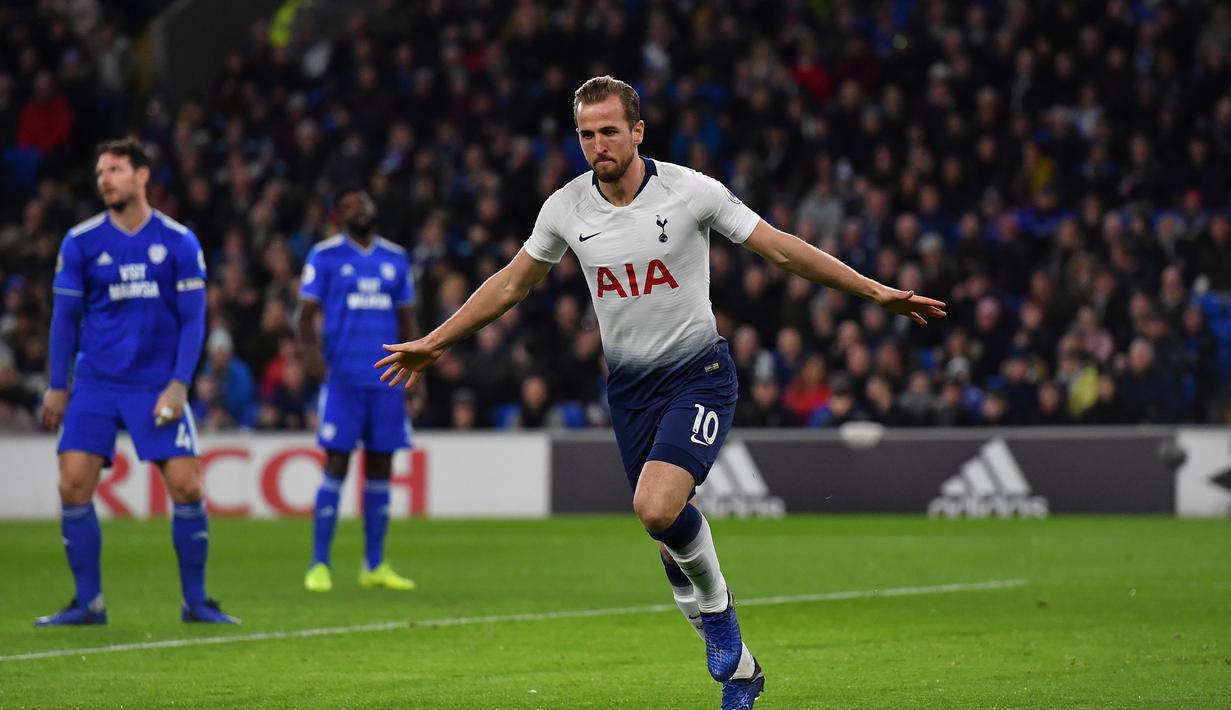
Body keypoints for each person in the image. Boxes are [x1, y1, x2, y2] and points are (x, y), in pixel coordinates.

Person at [374, 76, 945, 709]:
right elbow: (511, 284)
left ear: (638, 130)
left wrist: (874, 292)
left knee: (655, 508)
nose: (598, 145)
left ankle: (723, 615)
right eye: (586, 135)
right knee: (667, 540)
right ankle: (743, 676)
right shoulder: (566, 208)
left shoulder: (691, 192)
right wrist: (438, 341)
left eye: (609, 131)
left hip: (699, 374)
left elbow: (781, 250)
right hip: (630, 392)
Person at [38, 138, 237, 625]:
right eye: (100, 171)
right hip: (96, 382)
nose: (104, 178)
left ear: (142, 175)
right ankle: (89, 604)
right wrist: (57, 385)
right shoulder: (80, 242)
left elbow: (194, 322)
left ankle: (196, 602)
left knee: (187, 488)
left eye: (116, 169)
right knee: (73, 486)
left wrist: (179, 384)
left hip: (156, 383)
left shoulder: (178, 241)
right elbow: (64, 320)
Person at [297, 185, 417, 592]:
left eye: (362, 202)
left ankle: (375, 565)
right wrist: (312, 357)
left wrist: (417, 370)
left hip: (386, 382)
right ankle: (319, 564)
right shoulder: (325, 256)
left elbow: (408, 321)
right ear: (339, 216)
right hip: (344, 381)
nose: (358, 209)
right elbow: (304, 315)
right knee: (336, 465)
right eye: (348, 205)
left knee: (382, 467)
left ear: (373, 208)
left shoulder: (395, 259)